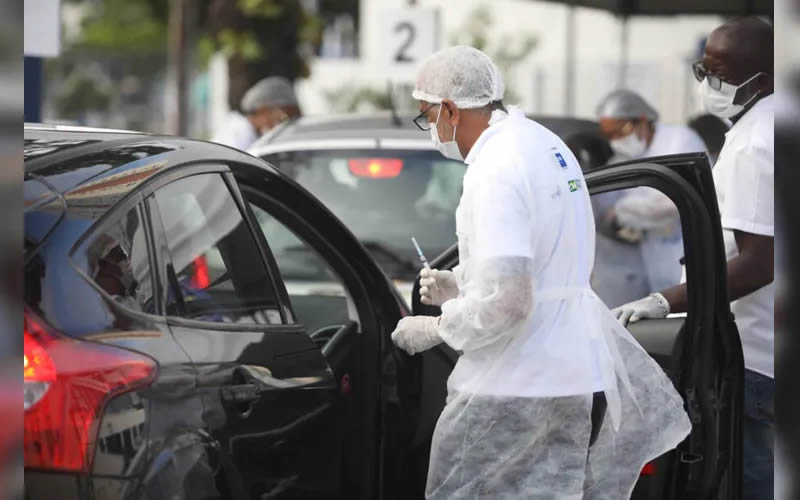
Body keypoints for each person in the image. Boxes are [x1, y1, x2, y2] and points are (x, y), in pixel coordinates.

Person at [390, 45, 690, 499]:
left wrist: (435, 327)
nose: (429, 128)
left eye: (427, 115)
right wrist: (464, 284)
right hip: (569, 375)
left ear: (450, 108)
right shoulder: (544, 144)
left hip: (510, 386)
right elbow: (547, 268)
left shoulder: (493, 169)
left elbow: (510, 303)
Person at [613, 17, 774, 500]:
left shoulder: (753, 144)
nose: (706, 83)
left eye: (717, 72)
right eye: (701, 69)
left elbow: (759, 262)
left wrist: (666, 301)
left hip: (757, 356)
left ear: (759, 80)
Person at [595, 90, 707, 299]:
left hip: (687, 252)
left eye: (621, 131)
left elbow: (671, 202)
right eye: (610, 136)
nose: (616, 141)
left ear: (643, 120)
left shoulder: (680, 141)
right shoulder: (623, 157)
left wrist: (620, 212)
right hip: (655, 261)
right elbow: (602, 203)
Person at [211, 76, 301, 150]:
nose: (281, 121)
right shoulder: (238, 133)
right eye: (283, 116)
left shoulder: (254, 133)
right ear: (264, 109)